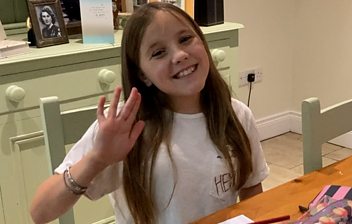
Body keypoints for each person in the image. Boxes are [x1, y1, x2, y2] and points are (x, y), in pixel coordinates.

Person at [30, 2, 269, 224]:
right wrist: (97, 159)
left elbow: (252, 192)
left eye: (185, 39)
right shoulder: (124, 127)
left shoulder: (237, 115)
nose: (179, 55)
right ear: (143, 74)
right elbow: (40, 211)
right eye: (158, 53)